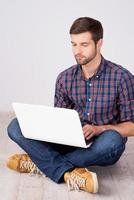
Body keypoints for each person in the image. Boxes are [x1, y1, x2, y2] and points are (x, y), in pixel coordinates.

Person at [6, 17, 134, 194]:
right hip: (70, 141)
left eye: (84, 44)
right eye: (73, 44)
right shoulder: (64, 78)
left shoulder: (122, 77)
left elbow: (132, 126)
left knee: (112, 141)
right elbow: (59, 121)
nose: (77, 51)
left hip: (101, 144)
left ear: (99, 44)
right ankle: (67, 172)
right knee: (15, 125)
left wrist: (100, 129)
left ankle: (40, 162)